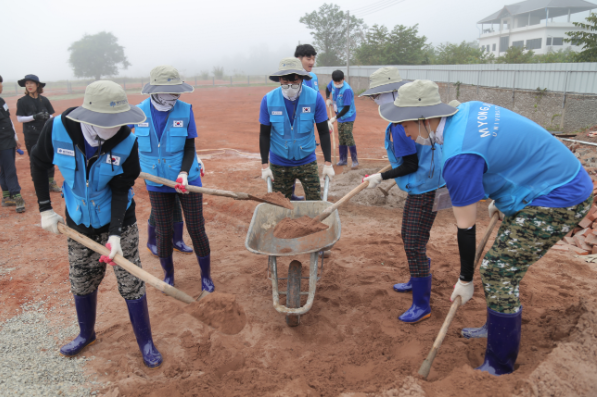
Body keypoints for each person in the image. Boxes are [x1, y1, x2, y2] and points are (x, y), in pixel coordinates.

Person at [380, 79, 593, 375]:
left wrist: (465, 279)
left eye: (405, 123)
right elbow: (498, 152)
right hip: (545, 181)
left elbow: (466, 228)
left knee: (498, 270)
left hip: (558, 196)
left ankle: (499, 363)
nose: (403, 131)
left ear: (424, 118)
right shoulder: (465, 112)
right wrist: (503, 196)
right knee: (501, 264)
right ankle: (496, 327)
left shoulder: (458, 157)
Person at [30, 80, 163, 368]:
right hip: (77, 221)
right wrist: (45, 209)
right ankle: (85, 334)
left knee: (131, 281)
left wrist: (115, 234)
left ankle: (146, 342)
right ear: (89, 115)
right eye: (108, 121)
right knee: (82, 278)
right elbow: (39, 163)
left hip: (118, 220)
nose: (115, 127)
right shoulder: (57, 129)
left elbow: (121, 188)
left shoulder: (128, 141)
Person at [361, 67, 445, 324]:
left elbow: (410, 164)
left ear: (395, 93)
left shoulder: (400, 125)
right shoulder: (411, 118)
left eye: (378, 95)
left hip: (425, 187)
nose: (375, 101)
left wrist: (380, 177)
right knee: (410, 236)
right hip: (428, 183)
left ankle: (422, 304)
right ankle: (416, 277)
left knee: (413, 242)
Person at [133, 65, 212, 293]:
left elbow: (189, 147)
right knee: (163, 231)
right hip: (156, 182)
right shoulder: (138, 112)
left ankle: (205, 276)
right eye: (171, 91)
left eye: (178, 91)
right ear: (156, 91)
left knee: (197, 229)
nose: (176, 96)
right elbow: (124, 142)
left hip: (186, 179)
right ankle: (168, 275)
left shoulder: (185, 110)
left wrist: (185, 172)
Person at [259, 58, 335, 202]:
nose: (289, 86)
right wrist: (264, 165)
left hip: (307, 160)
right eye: (285, 82)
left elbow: (324, 132)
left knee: (314, 202)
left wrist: (328, 163)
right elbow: (264, 134)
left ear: (301, 78)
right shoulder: (268, 100)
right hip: (279, 161)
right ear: (279, 79)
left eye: (294, 82)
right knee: (281, 205)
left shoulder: (314, 98)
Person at [16, 74, 60, 192]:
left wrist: (47, 117)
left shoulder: (44, 100)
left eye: (31, 83)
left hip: (45, 133)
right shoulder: (22, 101)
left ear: (37, 85)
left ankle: (51, 182)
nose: (29, 85)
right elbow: (20, 118)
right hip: (31, 134)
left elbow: (51, 115)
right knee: (35, 159)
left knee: (49, 156)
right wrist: (35, 116)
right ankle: (38, 184)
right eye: (27, 83)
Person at [0, 75, 25, 212]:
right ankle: (16, 196)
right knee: (9, 169)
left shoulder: (1, 101)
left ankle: (6, 196)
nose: (2, 86)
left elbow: (8, 121)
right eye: (0, 83)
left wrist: (15, 138)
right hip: (1, 142)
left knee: (5, 169)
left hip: (8, 140)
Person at [325, 70, 358, 168]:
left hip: (348, 115)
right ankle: (343, 160)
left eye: (339, 82)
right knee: (341, 137)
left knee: (348, 136)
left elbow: (347, 107)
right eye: (336, 82)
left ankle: (355, 160)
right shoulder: (333, 83)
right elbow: (328, 89)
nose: (337, 84)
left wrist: (335, 117)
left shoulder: (347, 90)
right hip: (339, 115)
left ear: (343, 79)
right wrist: (327, 98)